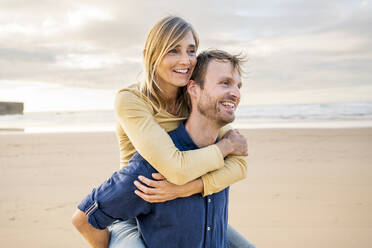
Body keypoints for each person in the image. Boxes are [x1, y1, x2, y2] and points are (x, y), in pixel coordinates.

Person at [72, 16, 252, 247]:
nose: (185, 60)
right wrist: (226, 146)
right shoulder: (132, 100)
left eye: (191, 50)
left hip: (180, 200)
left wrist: (188, 188)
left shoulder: (195, 96)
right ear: (149, 55)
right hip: (139, 206)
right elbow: (176, 168)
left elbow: (239, 165)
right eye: (173, 51)